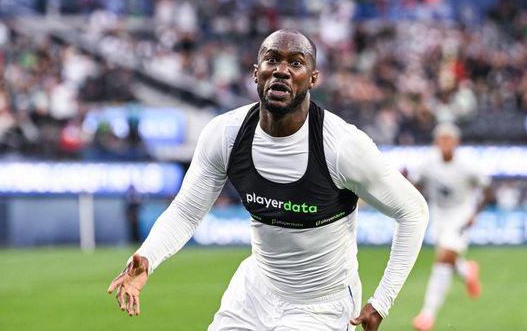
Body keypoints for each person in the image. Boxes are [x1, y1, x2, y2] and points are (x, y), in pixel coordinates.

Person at [107, 29, 429, 331]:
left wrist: (382, 301)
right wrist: (148, 257)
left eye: (296, 63)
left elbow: (413, 211)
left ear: (313, 78)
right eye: (272, 59)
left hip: (321, 307)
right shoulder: (226, 135)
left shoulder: (343, 147)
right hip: (254, 291)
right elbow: (187, 211)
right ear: (256, 72)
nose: (281, 70)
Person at [411, 123, 492, 331]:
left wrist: (474, 214)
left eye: (449, 139)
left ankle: (427, 314)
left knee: (444, 258)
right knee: (448, 259)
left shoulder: (468, 164)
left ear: (456, 142)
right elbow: (414, 184)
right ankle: (467, 271)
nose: (445, 143)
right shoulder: (428, 163)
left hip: (461, 216)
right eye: (442, 139)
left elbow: (489, 191)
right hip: (439, 216)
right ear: (436, 142)